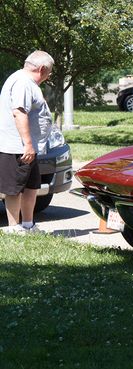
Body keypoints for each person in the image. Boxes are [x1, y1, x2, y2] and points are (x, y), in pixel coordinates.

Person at [0, 50, 54, 234]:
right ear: (42, 68)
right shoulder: (23, 82)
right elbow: (19, 112)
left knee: (31, 186)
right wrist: (28, 144)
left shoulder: (28, 82)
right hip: (19, 147)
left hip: (30, 147)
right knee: (15, 188)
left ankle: (28, 225)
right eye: (50, 71)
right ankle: (14, 228)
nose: (50, 74)